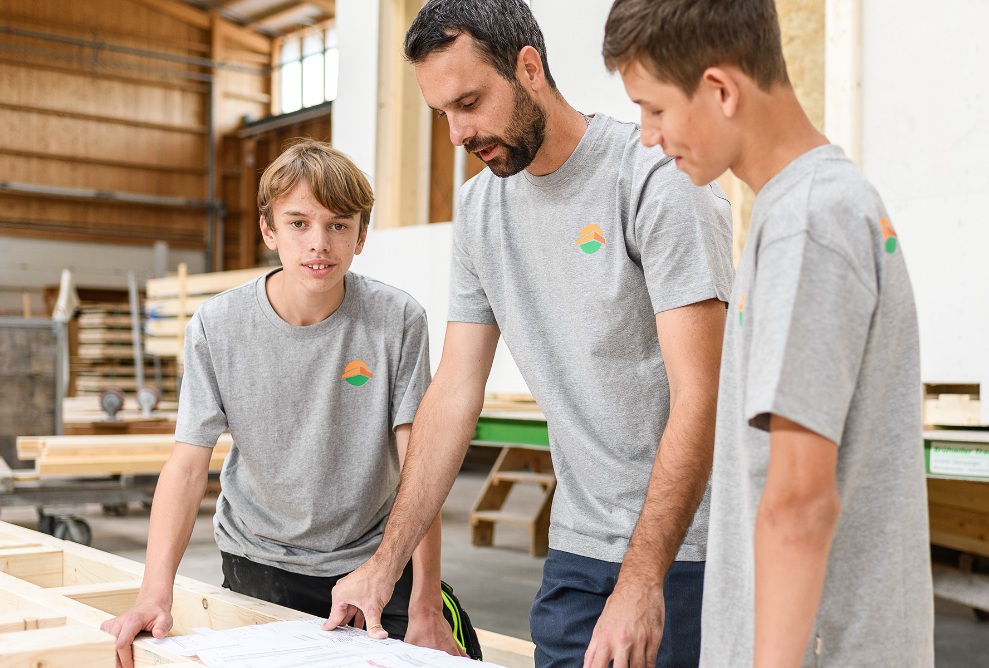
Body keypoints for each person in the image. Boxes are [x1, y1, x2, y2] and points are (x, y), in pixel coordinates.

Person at [328, 1, 734, 666]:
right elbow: (455, 391)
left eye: (470, 102)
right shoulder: (480, 207)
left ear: (528, 68)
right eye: (442, 115)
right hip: (578, 547)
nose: (458, 133)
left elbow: (702, 394)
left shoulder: (655, 178)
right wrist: (385, 564)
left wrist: (641, 583)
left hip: (692, 551)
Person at [602, 0, 935, 665]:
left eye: (655, 109)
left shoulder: (806, 224)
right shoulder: (806, 208)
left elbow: (798, 502)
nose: (645, 134)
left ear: (720, 89)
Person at [100, 140, 463, 668]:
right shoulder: (217, 325)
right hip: (259, 560)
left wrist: (427, 600)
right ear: (269, 230)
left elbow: (420, 464)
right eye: (299, 223)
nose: (319, 243)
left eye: (339, 225)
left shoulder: (397, 320)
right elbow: (186, 463)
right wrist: (155, 591)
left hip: (375, 564)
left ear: (362, 235)